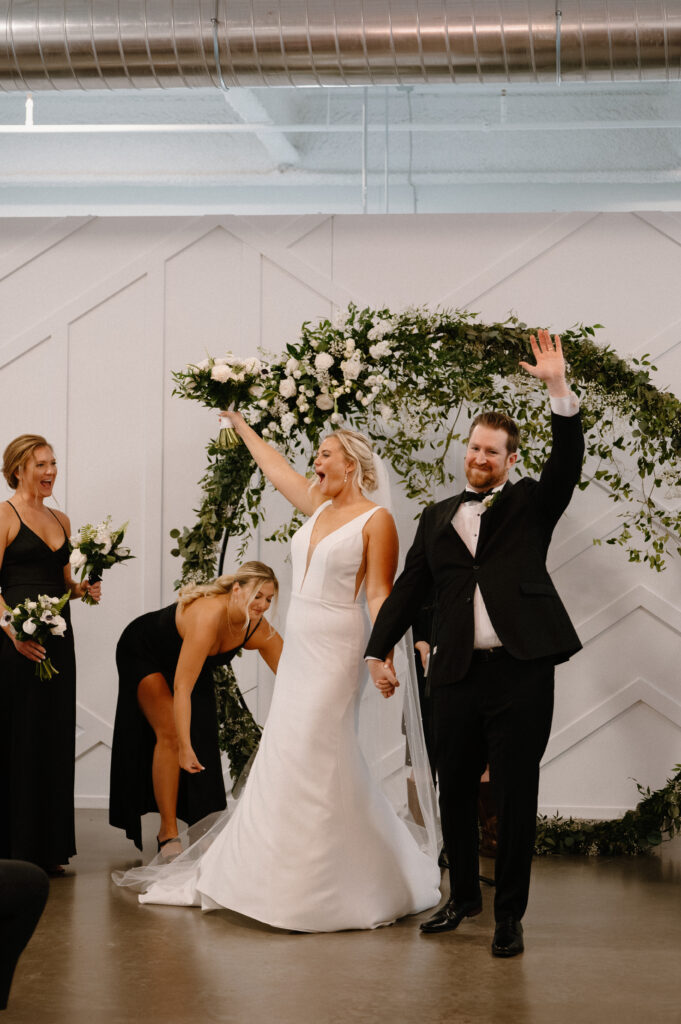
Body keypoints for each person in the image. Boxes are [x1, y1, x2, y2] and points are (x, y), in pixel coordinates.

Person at [120, 419, 440, 931]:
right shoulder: (318, 506)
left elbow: (381, 593)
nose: (317, 461)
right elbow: (274, 468)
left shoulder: (376, 520)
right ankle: (268, 873)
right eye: (316, 454)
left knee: (317, 743)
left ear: (351, 464)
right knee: (289, 748)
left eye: (326, 454)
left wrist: (380, 655)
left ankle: (324, 885)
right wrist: (242, 425)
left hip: (339, 645)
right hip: (302, 647)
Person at [366, 330, 584, 957]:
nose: (479, 458)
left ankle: (509, 915)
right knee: (452, 787)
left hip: (520, 671)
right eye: (473, 448)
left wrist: (557, 389)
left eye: (491, 451)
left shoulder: (531, 505)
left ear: (511, 459)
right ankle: (462, 896)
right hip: (454, 673)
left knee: (515, 793)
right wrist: (378, 649)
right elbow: (410, 588)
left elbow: (567, 463)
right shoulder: (436, 517)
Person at [109, 562, 282, 854]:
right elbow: (182, 688)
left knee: (204, 734)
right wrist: (185, 747)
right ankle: (168, 832)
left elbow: (291, 673)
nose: (263, 605)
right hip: (144, 651)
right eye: (258, 596)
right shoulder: (208, 616)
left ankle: (203, 826)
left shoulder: (255, 627)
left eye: (269, 598)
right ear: (237, 590)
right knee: (173, 734)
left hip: (188, 662)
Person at [0, 435, 101, 874]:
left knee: (53, 734)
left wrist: (84, 590)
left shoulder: (61, 517)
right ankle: (12, 847)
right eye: (41, 463)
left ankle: (48, 848)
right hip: (13, 643)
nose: (50, 471)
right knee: (16, 737)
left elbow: (62, 584)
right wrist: (13, 632)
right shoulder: (4, 515)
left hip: (58, 639)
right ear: (18, 468)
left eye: (53, 463)